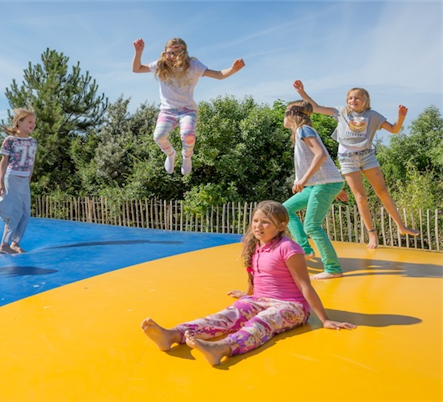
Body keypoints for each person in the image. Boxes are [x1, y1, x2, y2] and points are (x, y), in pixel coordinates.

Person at [141, 200, 356, 366]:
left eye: (265, 222)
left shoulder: (289, 248)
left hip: (290, 306)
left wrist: (325, 319)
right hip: (259, 299)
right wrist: (247, 294)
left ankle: (222, 348)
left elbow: (304, 285)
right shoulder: (254, 245)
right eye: (256, 221)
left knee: (262, 322)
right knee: (226, 316)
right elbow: (254, 273)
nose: (258, 226)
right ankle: (172, 335)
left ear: (281, 226)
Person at [293, 80, 419, 249]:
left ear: (365, 101)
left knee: (382, 191)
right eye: (350, 98)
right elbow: (315, 108)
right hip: (347, 158)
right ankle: (372, 234)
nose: (352, 100)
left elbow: (394, 129)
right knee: (360, 197)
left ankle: (401, 227)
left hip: (367, 156)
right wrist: (302, 92)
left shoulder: (373, 115)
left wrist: (401, 117)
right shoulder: (341, 112)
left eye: (357, 98)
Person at [132, 37, 245, 175]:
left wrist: (233, 69)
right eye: (169, 53)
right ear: (165, 53)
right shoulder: (161, 65)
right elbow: (136, 69)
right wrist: (138, 52)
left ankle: (187, 156)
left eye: (175, 54)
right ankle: (170, 154)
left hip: (187, 110)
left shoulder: (193, 65)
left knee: (187, 134)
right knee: (159, 136)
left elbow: (218, 75)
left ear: (183, 53)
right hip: (168, 111)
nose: (171, 57)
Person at [282, 100, 346, 280]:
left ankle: (333, 268)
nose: (283, 117)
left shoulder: (304, 130)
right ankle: (304, 249)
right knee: (285, 210)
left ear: (292, 114)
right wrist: (334, 185)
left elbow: (320, 154)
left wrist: (303, 179)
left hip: (322, 185)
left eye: (285, 113)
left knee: (311, 225)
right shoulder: (300, 133)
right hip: (321, 184)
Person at [0, 108, 37, 254]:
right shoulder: (10, 140)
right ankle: (4, 244)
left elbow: (32, 162)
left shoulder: (33, 142)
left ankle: (15, 243)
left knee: (26, 212)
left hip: (24, 180)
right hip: (11, 177)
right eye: (29, 121)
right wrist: (1, 182)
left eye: (34, 122)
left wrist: (29, 178)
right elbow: (4, 161)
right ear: (19, 122)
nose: (33, 124)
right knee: (15, 211)